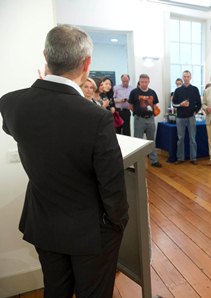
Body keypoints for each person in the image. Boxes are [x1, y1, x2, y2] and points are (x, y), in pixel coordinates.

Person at [0, 25, 128, 298]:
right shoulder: (95, 117)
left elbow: (13, 129)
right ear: (87, 63)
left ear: (45, 56)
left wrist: (41, 88)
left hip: (44, 223)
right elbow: (112, 185)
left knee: (55, 290)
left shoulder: (12, 104)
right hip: (92, 231)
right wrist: (118, 224)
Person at [128, 74, 162, 168]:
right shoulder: (134, 92)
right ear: (139, 81)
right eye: (142, 82)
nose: (144, 84)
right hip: (139, 119)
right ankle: (137, 162)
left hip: (150, 119)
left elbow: (155, 106)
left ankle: (154, 160)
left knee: (151, 140)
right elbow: (130, 106)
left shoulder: (152, 92)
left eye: (146, 82)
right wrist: (139, 113)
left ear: (148, 82)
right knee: (137, 140)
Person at [172, 70, 202, 164]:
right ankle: (180, 158)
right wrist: (180, 104)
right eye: (184, 76)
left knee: (192, 138)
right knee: (180, 139)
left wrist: (195, 112)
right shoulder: (178, 90)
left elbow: (199, 104)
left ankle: (193, 158)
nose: (186, 78)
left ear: (190, 77)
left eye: (187, 76)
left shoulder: (195, 89)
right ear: (182, 77)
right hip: (180, 117)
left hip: (191, 117)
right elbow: (174, 104)